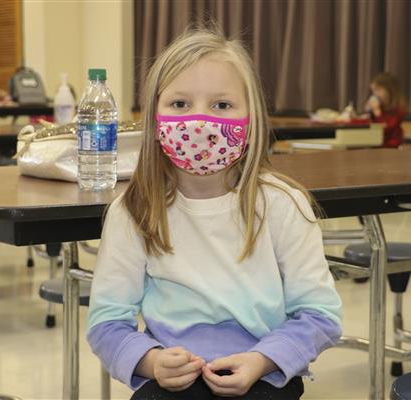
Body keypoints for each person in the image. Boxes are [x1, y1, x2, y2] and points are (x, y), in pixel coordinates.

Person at [87, 27, 342, 400]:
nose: (199, 122)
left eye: (221, 105)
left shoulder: (283, 205)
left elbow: (321, 316)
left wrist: (263, 360)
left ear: (250, 122)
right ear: (155, 124)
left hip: (265, 376)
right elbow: (107, 323)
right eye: (180, 105)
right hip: (170, 384)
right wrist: (152, 362)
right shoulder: (134, 212)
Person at [365, 72, 407, 148]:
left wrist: (377, 111)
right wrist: (368, 113)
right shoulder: (379, 109)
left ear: (389, 91)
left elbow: (386, 128)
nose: (375, 94)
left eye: (378, 90)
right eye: (373, 91)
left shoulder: (398, 111)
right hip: (375, 144)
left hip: (391, 145)